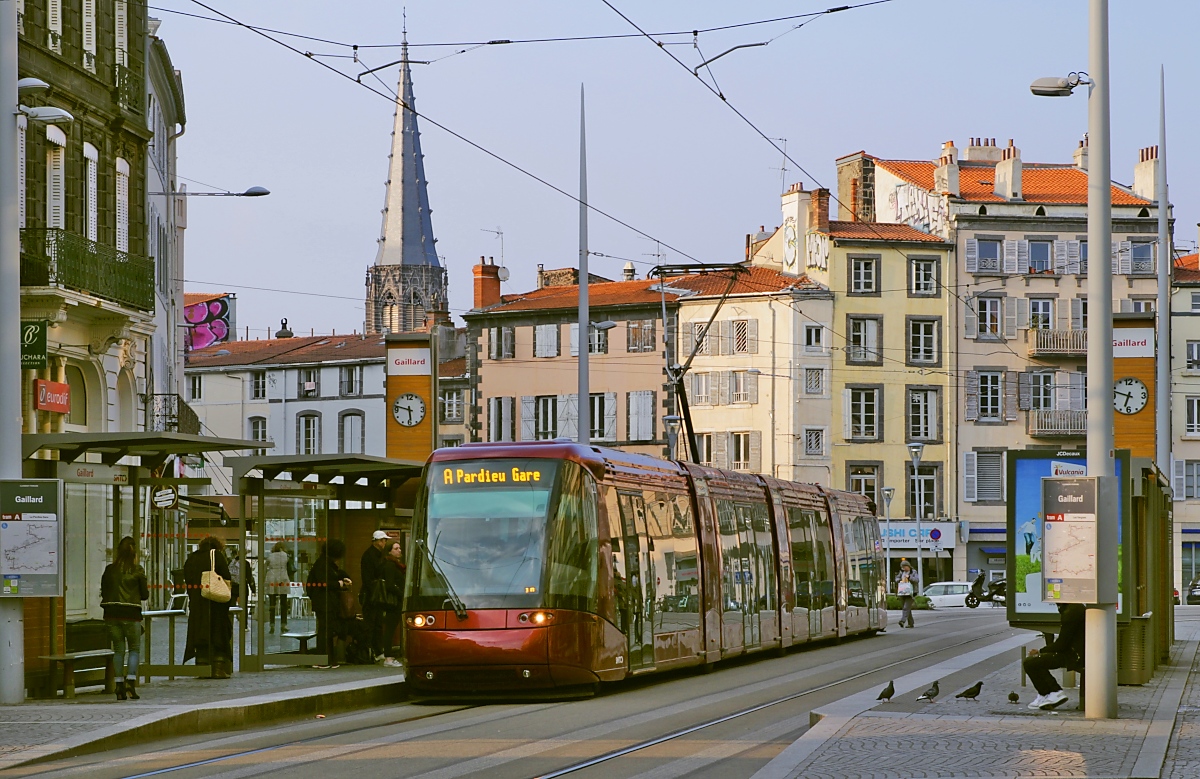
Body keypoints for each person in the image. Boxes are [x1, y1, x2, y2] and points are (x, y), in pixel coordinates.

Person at [100, 536, 149, 700]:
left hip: (111, 613)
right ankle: (131, 682)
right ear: (134, 553)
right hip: (131, 614)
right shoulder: (138, 570)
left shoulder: (109, 569)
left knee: (118, 649)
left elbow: (104, 590)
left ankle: (119, 685)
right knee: (134, 649)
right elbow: (144, 595)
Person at [183, 536, 237, 679]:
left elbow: (187, 579)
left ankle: (202, 667)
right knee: (218, 635)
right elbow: (226, 577)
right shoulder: (216, 556)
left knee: (200, 635)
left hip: (197, 605)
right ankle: (218, 669)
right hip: (215, 605)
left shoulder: (192, 558)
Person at [1023, 602, 1086, 710]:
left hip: (1075, 655)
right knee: (1036, 661)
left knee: (1030, 663)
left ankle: (1053, 692)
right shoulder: (1074, 608)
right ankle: (1045, 694)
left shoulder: (1071, 611)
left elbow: (1062, 643)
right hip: (1077, 652)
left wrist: (1041, 652)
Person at [307, 539, 351, 667]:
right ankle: (325, 659)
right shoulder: (325, 565)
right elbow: (324, 583)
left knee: (326, 630)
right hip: (325, 602)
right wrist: (340, 583)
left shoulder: (323, 563)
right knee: (326, 631)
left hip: (324, 601)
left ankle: (326, 659)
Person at [360, 530, 390, 664]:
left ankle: (377, 651)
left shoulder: (376, 555)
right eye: (383, 540)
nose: (384, 543)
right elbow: (368, 578)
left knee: (377, 624)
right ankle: (371, 651)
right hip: (372, 596)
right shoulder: (370, 556)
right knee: (372, 624)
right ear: (377, 541)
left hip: (375, 595)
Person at [378, 541, 407, 668]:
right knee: (389, 629)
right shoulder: (390, 565)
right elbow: (389, 585)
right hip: (393, 603)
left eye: (400, 548)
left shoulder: (396, 565)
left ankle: (388, 656)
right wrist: (402, 594)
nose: (399, 550)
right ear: (390, 551)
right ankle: (388, 657)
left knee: (391, 628)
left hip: (395, 602)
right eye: (396, 548)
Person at [265, 542, 295, 634]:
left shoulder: (270, 556)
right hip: (283, 578)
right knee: (284, 603)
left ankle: (272, 625)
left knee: (272, 604)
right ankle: (283, 624)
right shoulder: (286, 556)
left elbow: (265, 566)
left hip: (272, 578)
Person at [895, 560, 918, 628]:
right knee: (907, 608)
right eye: (902, 567)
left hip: (910, 592)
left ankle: (902, 621)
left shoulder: (913, 572)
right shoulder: (901, 572)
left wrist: (909, 578)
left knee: (906, 607)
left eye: (905, 566)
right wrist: (900, 580)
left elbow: (917, 580)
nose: (904, 568)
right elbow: (896, 579)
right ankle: (911, 623)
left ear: (908, 566)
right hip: (902, 592)